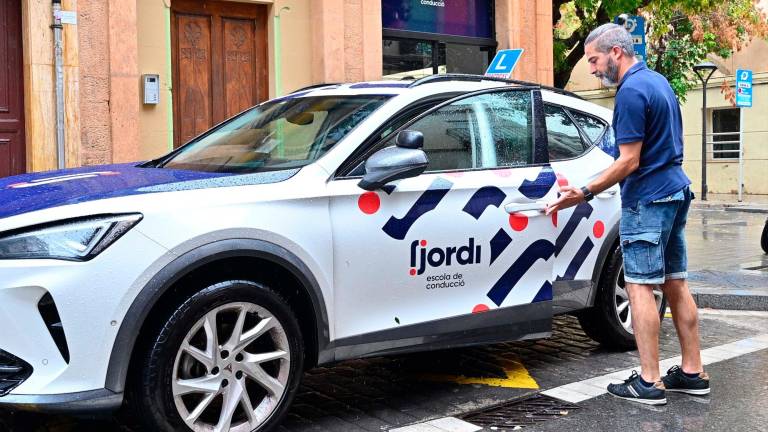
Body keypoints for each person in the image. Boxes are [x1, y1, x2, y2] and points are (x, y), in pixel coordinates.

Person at [546, 23, 710, 405]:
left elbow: (629, 161)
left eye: (594, 59)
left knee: (639, 286)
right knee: (675, 283)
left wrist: (583, 193)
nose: (592, 68)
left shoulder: (632, 91)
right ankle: (692, 371)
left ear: (615, 52)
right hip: (674, 191)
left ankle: (649, 381)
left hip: (648, 199)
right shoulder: (658, 82)